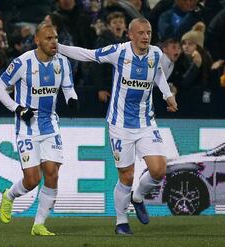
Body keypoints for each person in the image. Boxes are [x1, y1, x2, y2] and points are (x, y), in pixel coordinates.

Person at [58, 17, 178, 235]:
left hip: (146, 123)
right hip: (120, 124)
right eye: (140, 33)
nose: (145, 37)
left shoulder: (156, 54)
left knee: (159, 170)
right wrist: (58, 47)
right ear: (130, 35)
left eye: (148, 32)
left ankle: (138, 196)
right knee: (127, 176)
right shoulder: (119, 52)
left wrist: (167, 95)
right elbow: (88, 54)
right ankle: (121, 222)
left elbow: (158, 73)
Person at [0, 22, 78, 236]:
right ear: (37, 40)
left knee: (52, 173)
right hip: (27, 127)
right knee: (32, 180)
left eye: (56, 38)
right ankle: (9, 196)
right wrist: (17, 108)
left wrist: (72, 99)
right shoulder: (22, 62)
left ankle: (39, 224)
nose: (54, 42)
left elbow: (68, 88)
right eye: (48, 38)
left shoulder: (63, 63)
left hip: (50, 125)